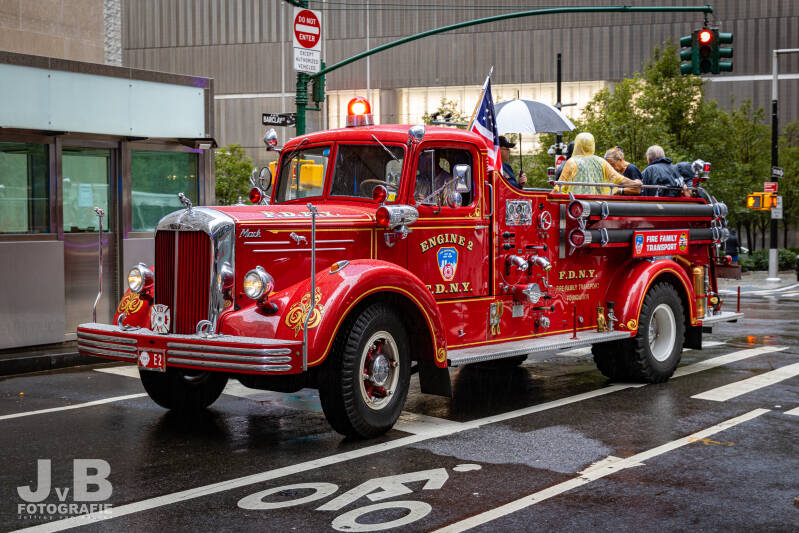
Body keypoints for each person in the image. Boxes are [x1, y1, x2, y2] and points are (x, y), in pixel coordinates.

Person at [556, 132, 642, 195]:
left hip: (578, 205)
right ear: (592, 145)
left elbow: (559, 187)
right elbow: (618, 178)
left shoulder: (571, 162)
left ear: (577, 146)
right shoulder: (601, 161)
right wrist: (635, 183)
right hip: (597, 205)